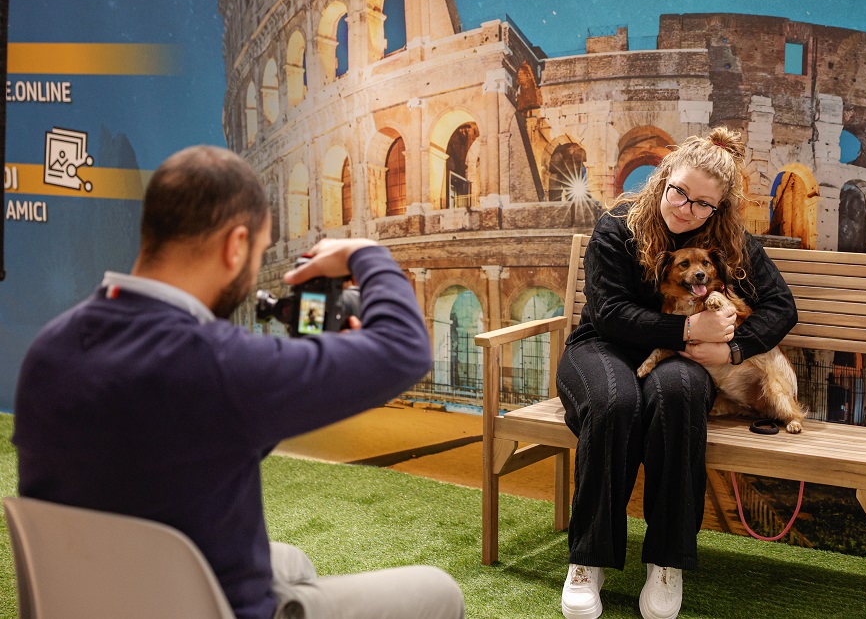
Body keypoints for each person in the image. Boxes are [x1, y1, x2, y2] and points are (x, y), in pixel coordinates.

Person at [13, 145, 465, 619]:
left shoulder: (49, 350)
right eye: (260, 251)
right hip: (207, 606)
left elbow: (204, 442)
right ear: (235, 245)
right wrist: (367, 253)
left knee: (292, 561)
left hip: (87, 599)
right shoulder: (219, 365)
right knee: (439, 592)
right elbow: (405, 348)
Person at [555, 127, 797, 619]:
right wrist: (689, 328)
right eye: (679, 192)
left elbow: (781, 307)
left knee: (679, 398)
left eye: (704, 204)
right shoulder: (617, 225)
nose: (687, 209)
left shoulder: (727, 241)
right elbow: (609, 313)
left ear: (720, 208)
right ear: (663, 179)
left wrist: (734, 351)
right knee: (615, 403)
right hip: (604, 346)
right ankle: (588, 560)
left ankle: (667, 561)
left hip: (681, 361)